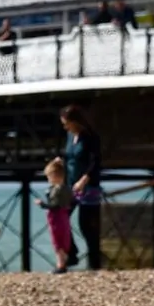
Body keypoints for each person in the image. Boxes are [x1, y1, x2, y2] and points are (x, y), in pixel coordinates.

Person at [60, 104, 103, 270]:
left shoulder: (90, 137)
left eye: (66, 123)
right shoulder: (70, 137)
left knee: (86, 225)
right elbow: (70, 158)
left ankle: (94, 265)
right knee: (61, 217)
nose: (65, 127)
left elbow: (95, 161)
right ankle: (72, 254)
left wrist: (84, 179)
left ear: (75, 121)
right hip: (71, 185)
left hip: (88, 186)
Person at [37, 158, 76, 274]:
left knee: (57, 241)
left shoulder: (57, 190)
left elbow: (54, 205)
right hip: (64, 215)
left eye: (49, 176)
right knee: (64, 239)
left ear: (54, 175)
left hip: (56, 217)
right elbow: (72, 201)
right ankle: (63, 263)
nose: (48, 180)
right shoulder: (67, 188)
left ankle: (61, 265)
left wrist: (42, 204)